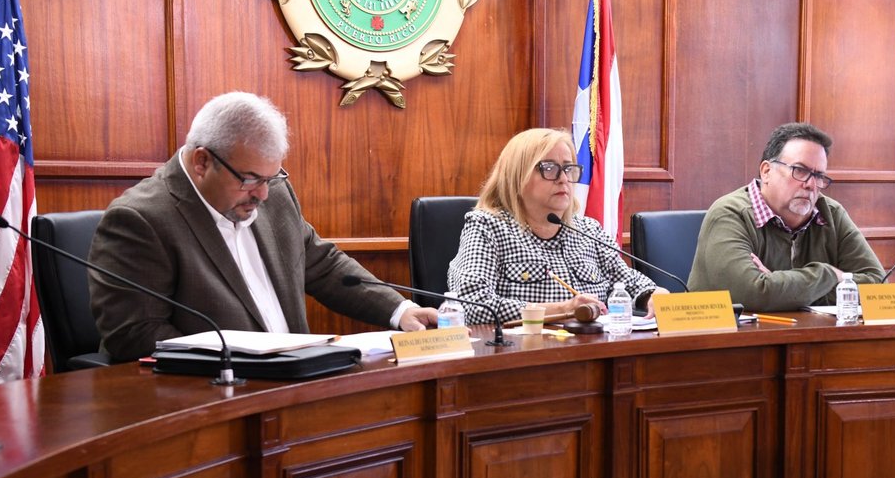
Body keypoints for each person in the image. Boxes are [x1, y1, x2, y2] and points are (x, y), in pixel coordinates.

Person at [89, 92, 439, 362]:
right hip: (214, 400)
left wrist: (400, 311)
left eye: (271, 178)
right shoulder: (140, 220)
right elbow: (134, 335)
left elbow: (323, 265)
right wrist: (246, 365)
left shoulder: (273, 194)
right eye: (250, 179)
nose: (263, 194)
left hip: (298, 384)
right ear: (202, 162)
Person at [446, 127, 661, 326]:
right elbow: (472, 305)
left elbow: (630, 282)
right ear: (516, 177)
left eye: (568, 168)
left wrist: (653, 295)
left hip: (594, 347)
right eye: (549, 168)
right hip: (528, 350)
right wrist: (563, 309)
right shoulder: (488, 227)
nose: (563, 179)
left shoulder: (588, 230)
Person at [687, 121, 884, 311]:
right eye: (800, 170)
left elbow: (878, 287)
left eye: (818, 176)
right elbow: (753, 293)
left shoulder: (831, 213)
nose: (811, 184)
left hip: (809, 332)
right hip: (731, 333)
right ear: (766, 172)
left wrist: (781, 287)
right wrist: (830, 275)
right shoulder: (729, 214)